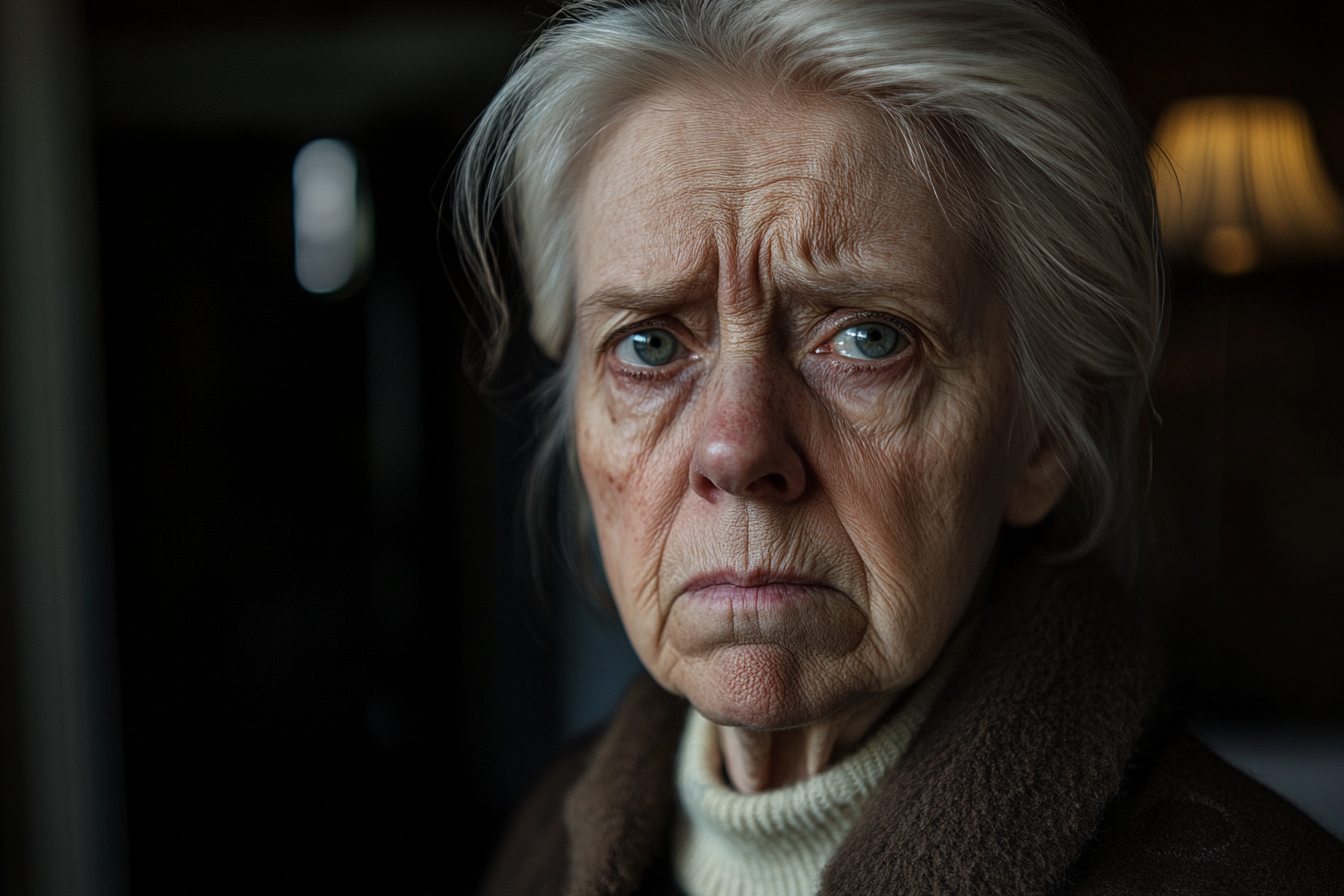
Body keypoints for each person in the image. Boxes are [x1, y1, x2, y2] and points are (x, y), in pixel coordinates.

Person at [454, 1, 1344, 893]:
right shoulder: (546, 842)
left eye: (868, 339)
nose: (735, 449)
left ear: (1046, 431)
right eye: (650, 345)